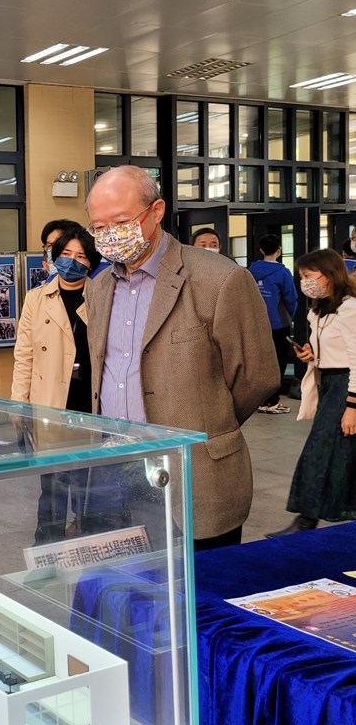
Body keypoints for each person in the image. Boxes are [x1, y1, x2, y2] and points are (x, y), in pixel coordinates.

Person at [83, 166, 279, 550]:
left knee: (202, 585)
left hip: (194, 474)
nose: (109, 235)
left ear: (156, 211)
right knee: (128, 583)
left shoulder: (218, 278)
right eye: (98, 227)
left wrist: (212, 421)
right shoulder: (99, 287)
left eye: (121, 222)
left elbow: (257, 376)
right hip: (115, 471)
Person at [12, 226, 101, 542]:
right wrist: (19, 405)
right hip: (51, 402)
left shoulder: (102, 295)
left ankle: (88, 538)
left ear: (91, 262)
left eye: (81, 256)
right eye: (66, 253)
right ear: (53, 256)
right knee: (53, 484)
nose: (72, 261)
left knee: (89, 483)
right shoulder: (36, 298)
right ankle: (47, 543)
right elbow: (24, 355)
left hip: (90, 403)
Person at [267, 249, 356, 537]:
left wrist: (352, 405)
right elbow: (330, 350)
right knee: (340, 452)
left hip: (346, 386)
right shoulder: (317, 310)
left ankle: (306, 520)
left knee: (320, 451)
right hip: (328, 383)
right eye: (301, 276)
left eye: (308, 275)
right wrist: (310, 354)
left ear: (329, 274)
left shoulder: (350, 308)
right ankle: (310, 518)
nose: (304, 281)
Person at [249, 233, 298, 415]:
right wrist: (291, 316)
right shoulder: (283, 272)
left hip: (255, 323)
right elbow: (291, 298)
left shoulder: (250, 270)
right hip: (278, 323)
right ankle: (273, 401)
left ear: (261, 250)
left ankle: (259, 400)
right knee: (278, 362)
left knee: (259, 362)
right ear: (279, 250)